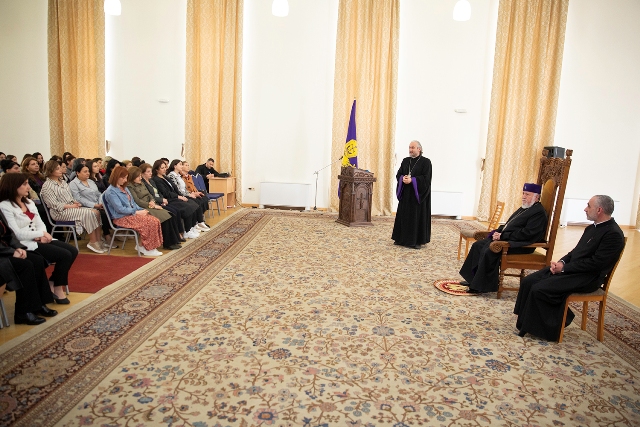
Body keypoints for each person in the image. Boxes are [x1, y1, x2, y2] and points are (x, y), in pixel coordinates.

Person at [514, 195, 625, 341]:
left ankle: (552, 324)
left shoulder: (613, 234)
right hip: (574, 270)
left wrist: (564, 268)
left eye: (588, 206)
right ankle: (525, 323)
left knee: (540, 288)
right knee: (529, 281)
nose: (585, 209)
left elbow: (596, 264)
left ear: (599, 210)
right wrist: (561, 262)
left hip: (588, 277)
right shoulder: (591, 228)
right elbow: (575, 252)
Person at [0, 173, 78, 304]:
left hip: (38, 238)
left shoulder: (29, 202)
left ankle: (53, 282)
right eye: (24, 184)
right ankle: (58, 288)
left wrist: (43, 234)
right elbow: (16, 233)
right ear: (13, 186)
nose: (28, 187)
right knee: (64, 255)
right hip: (24, 243)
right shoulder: (5, 206)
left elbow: (40, 223)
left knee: (72, 251)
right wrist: (39, 234)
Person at [459, 183, 548, 293]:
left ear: (536, 197)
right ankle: (472, 279)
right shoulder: (525, 208)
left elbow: (528, 234)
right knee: (478, 245)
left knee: (490, 250)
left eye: (527, 194)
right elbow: (509, 225)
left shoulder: (538, 213)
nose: (524, 197)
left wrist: (503, 236)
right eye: (523, 193)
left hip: (522, 245)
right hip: (510, 239)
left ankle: (481, 286)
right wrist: (498, 232)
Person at [0, 204, 58, 325]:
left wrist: (18, 247)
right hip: (2, 255)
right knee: (25, 265)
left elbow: (9, 234)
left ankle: (39, 305)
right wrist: (11, 251)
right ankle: (22, 313)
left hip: (6, 250)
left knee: (37, 260)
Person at [40, 160, 106, 254]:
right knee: (88, 213)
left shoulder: (63, 182)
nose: (60, 170)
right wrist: (70, 206)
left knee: (96, 212)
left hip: (70, 207)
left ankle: (98, 240)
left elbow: (70, 197)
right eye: (57, 169)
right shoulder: (47, 186)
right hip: (59, 212)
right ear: (50, 171)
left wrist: (75, 202)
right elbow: (53, 204)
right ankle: (93, 241)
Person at [102, 166, 164, 257]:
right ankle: (148, 248)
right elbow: (120, 209)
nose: (125, 180)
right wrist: (136, 212)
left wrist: (142, 210)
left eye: (126, 178)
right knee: (150, 222)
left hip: (130, 214)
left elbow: (133, 203)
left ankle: (142, 246)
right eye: (123, 178)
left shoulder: (124, 188)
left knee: (155, 220)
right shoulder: (111, 192)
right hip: (121, 217)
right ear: (116, 177)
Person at [127, 167, 182, 250]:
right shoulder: (130, 186)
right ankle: (168, 243)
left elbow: (149, 194)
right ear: (133, 176)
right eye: (138, 176)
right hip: (143, 207)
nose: (140, 178)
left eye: (140, 176)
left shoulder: (141, 183)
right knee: (165, 218)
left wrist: (152, 201)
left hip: (151, 204)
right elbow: (137, 201)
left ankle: (174, 240)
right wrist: (150, 205)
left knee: (170, 214)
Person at [392, 140, 432, 249]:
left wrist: (412, 180)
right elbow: (399, 174)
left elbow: (426, 179)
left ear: (419, 149)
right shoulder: (406, 161)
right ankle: (401, 239)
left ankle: (416, 241)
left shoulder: (426, 162)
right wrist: (403, 178)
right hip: (406, 194)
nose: (410, 150)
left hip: (417, 196)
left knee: (416, 218)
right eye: (410, 147)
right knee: (404, 216)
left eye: (413, 148)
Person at [150, 160, 201, 239]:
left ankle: (191, 227)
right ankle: (187, 231)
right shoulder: (156, 179)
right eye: (162, 168)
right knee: (187, 207)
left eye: (165, 167)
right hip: (169, 199)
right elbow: (166, 193)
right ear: (157, 170)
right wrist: (179, 197)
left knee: (193, 203)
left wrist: (181, 195)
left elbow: (175, 188)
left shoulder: (165, 177)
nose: (165, 169)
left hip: (175, 197)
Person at [69, 164, 114, 247]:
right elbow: (78, 199)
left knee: (110, 210)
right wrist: (94, 205)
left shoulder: (91, 182)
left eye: (88, 171)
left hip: (97, 204)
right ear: (77, 173)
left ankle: (110, 234)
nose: (88, 173)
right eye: (85, 171)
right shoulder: (73, 184)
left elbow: (98, 194)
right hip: (85, 206)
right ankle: (106, 235)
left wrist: (100, 203)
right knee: (103, 214)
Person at [167, 160, 210, 231]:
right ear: (175, 166)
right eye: (180, 164)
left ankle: (200, 221)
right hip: (180, 196)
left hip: (185, 194)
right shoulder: (171, 176)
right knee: (195, 202)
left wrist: (191, 194)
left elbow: (184, 188)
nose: (182, 166)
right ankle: (195, 224)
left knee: (201, 198)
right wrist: (189, 195)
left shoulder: (178, 175)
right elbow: (177, 190)